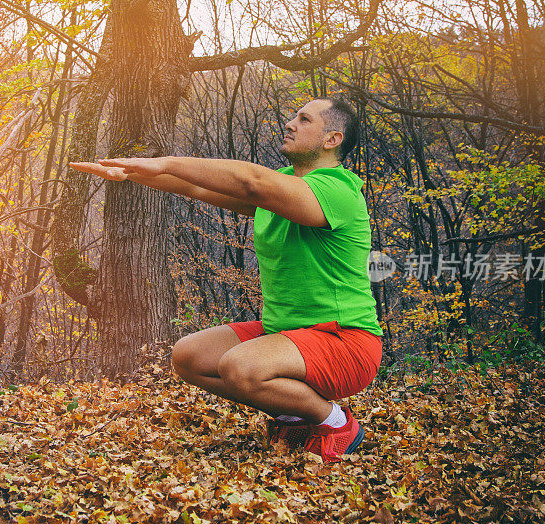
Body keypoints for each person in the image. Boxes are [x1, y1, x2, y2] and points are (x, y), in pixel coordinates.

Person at [70, 98, 382, 462]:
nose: (290, 123)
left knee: (240, 368)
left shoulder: (337, 190)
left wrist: (165, 161)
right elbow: (197, 188)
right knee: (189, 357)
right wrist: (131, 172)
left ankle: (336, 422)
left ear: (332, 139)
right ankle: (294, 417)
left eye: (304, 119)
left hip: (344, 341)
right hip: (286, 334)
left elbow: (250, 182)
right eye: (293, 115)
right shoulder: (282, 187)